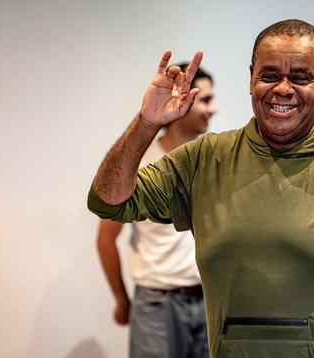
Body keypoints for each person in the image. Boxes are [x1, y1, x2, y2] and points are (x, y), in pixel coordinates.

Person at [88, 19, 314, 358]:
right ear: (251, 78)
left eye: (300, 77)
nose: (282, 88)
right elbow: (109, 201)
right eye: (270, 75)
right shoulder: (205, 160)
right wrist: (146, 123)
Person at [95, 63, 216, 358]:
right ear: (181, 101)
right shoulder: (142, 163)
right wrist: (123, 301)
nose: (213, 109)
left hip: (208, 301)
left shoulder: (213, 159)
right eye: (206, 100)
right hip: (157, 305)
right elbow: (105, 239)